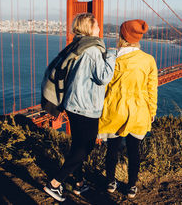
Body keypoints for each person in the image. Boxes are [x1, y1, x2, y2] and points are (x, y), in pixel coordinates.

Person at [43, 13, 117, 202]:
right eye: (97, 25)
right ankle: (54, 184)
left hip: (72, 103)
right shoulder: (92, 50)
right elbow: (103, 77)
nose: (100, 28)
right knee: (86, 146)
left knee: (78, 145)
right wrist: (112, 54)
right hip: (86, 105)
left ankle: (78, 183)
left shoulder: (78, 45)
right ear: (89, 28)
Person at [98, 19, 158, 199]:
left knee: (112, 150)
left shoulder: (111, 56)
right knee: (134, 151)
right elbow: (151, 89)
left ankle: (110, 182)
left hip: (114, 110)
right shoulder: (148, 60)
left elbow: (102, 86)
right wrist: (152, 111)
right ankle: (131, 186)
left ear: (121, 36)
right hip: (139, 112)